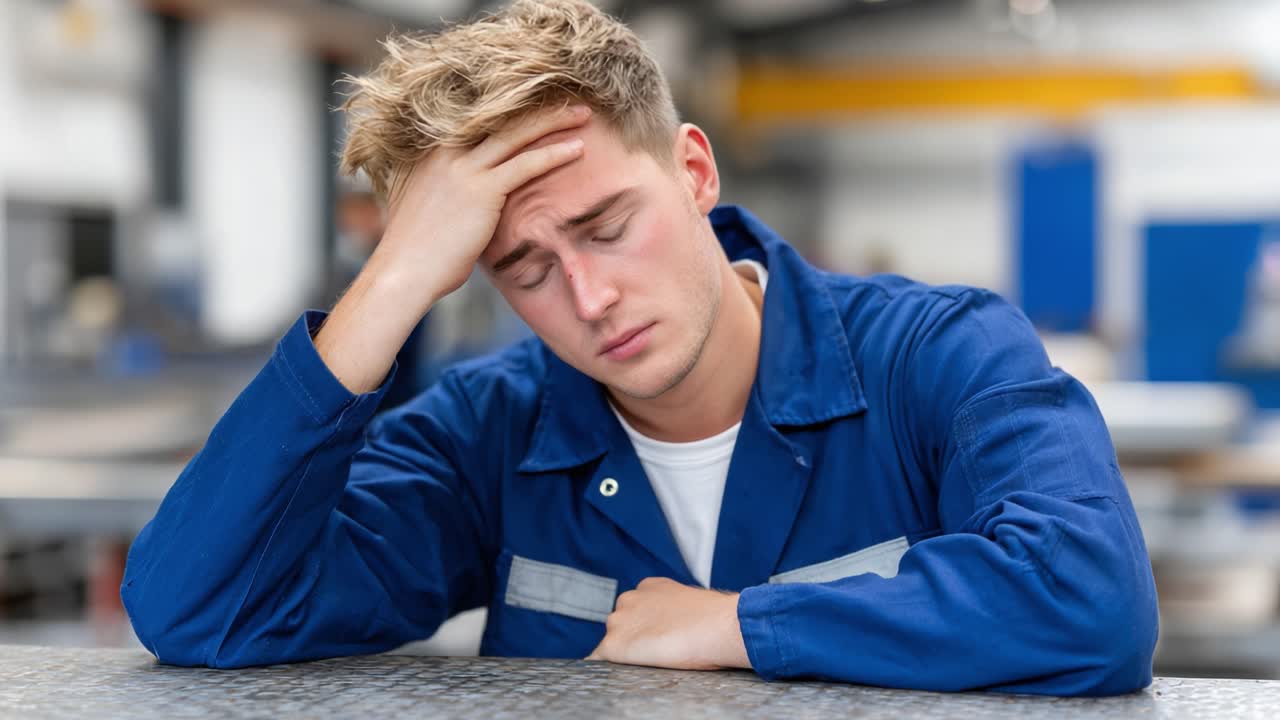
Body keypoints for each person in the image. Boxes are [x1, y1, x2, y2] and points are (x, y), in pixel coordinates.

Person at [121, 0, 1158, 696]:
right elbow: (200, 607)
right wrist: (391, 281)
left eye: (606, 226)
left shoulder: (934, 358)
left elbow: (1089, 598)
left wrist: (735, 626)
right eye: (522, 268)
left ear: (694, 172)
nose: (588, 296)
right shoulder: (488, 436)